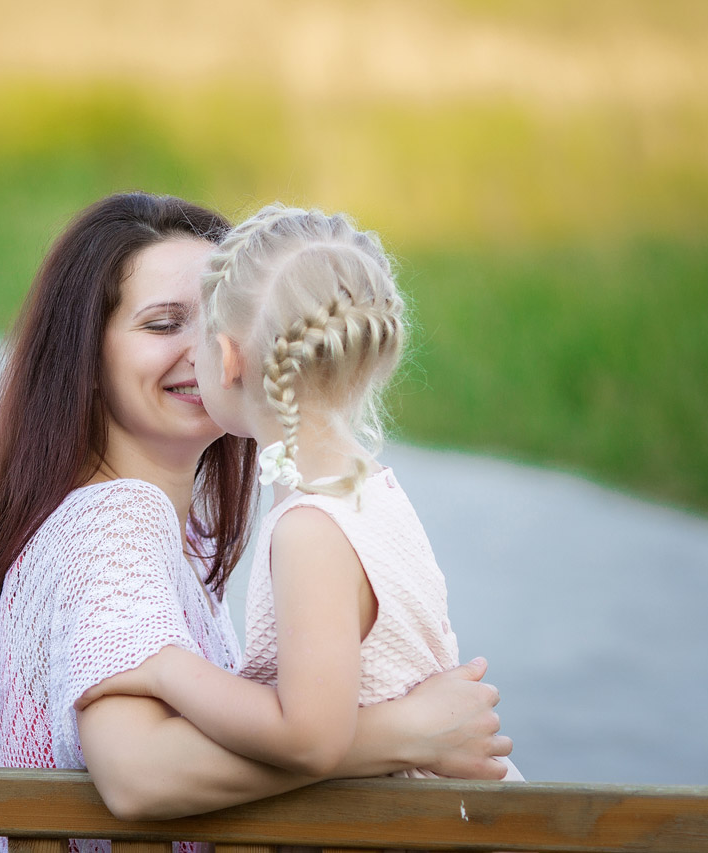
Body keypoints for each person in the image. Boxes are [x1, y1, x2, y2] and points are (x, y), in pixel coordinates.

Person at [0, 194, 514, 849]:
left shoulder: (166, 535)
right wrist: (406, 731)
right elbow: (139, 774)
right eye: (164, 323)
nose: (205, 350)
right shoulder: (116, 524)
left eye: (220, 320)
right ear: (84, 359)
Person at [75, 204, 523, 781]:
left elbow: (310, 738)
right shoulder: (370, 492)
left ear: (229, 358)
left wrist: (165, 669)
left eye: (202, 332)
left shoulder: (309, 528)